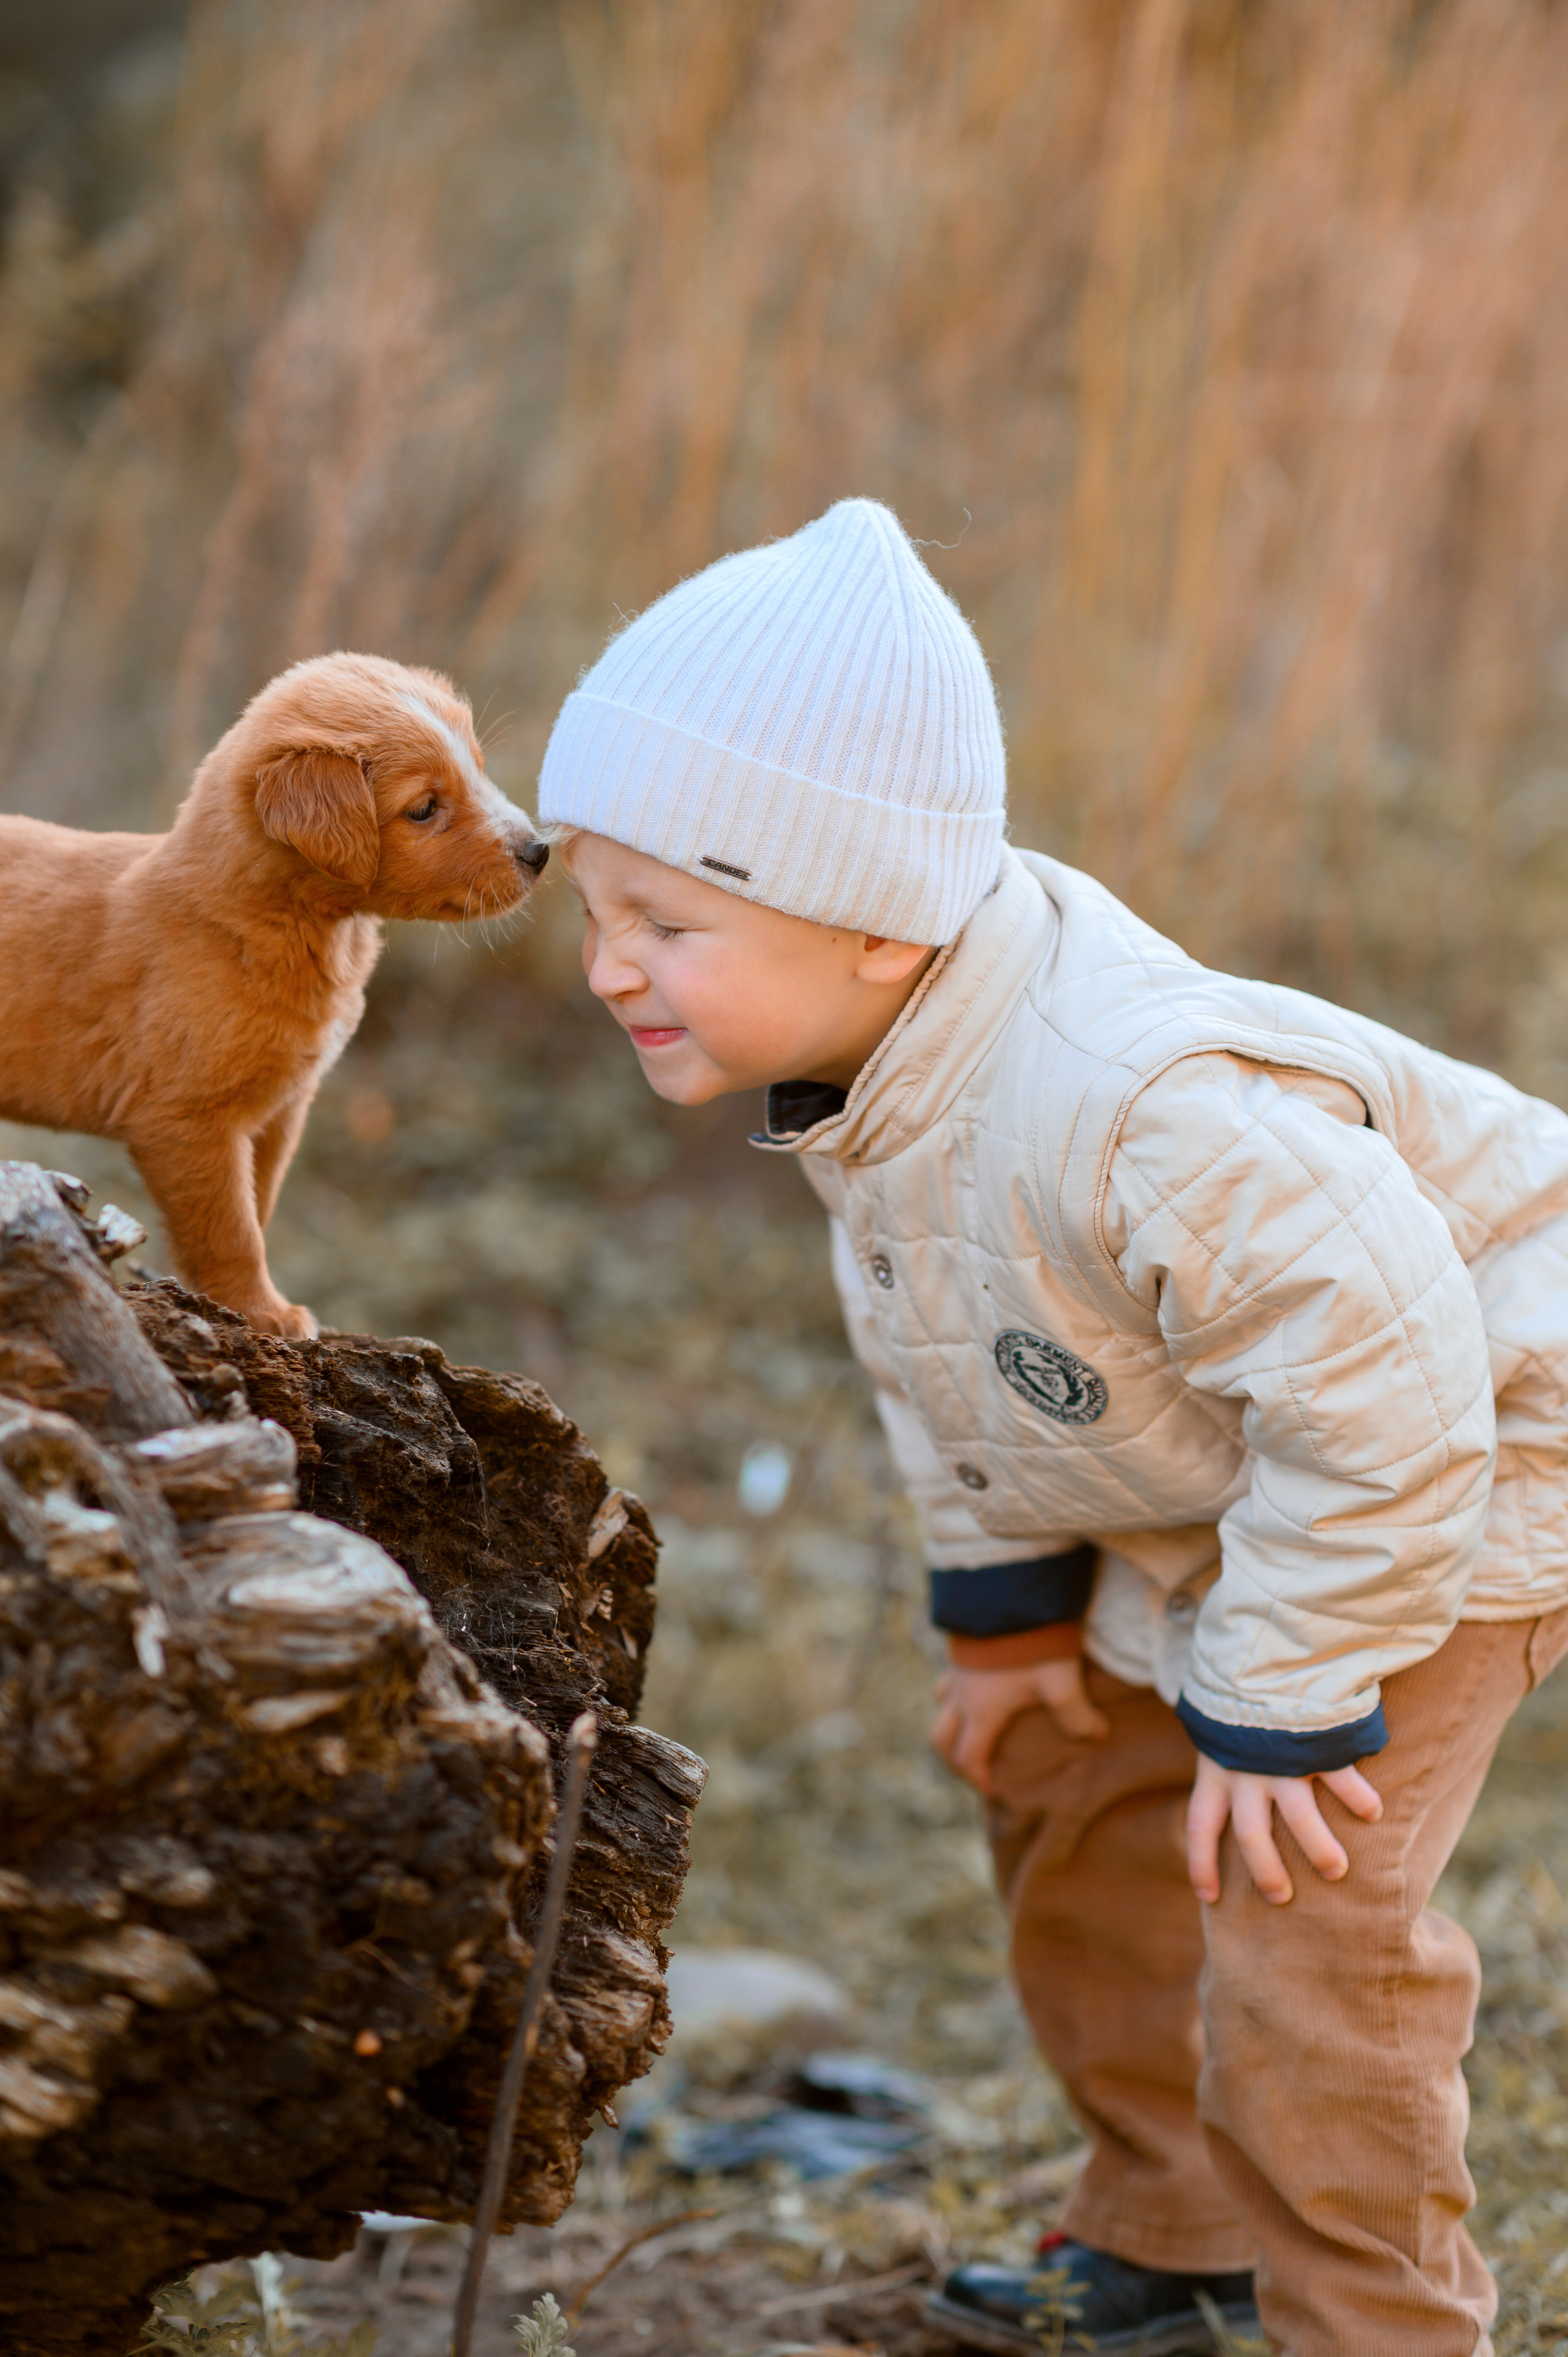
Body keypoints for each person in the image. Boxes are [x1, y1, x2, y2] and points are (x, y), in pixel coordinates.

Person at [536, 496, 1568, 2356]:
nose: (608, 964)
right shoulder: (880, 1069)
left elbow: (1387, 1391)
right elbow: (948, 1347)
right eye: (600, 911)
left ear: (869, 919)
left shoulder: (1136, 1102)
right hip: (1229, 1452)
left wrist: (1284, 1688)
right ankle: (1173, 2229)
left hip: (1475, 1438)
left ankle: (1379, 2328)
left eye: (666, 919)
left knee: (1302, 1908)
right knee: (1085, 1789)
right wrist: (1009, 1620)